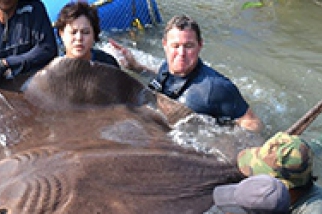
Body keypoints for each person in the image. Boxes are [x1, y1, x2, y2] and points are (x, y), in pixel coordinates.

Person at [110, 15, 263, 133]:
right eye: (175, 46)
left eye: (188, 46)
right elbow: (168, 82)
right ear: (165, 45)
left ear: (200, 46)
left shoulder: (216, 87)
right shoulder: (166, 67)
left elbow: (253, 123)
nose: (181, 53)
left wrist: (223, 143)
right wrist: (135, 67)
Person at [0, 0, 58, 85]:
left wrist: (6, 63)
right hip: (1, 84)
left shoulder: (34, 10)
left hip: (36, 81)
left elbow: (47, 48)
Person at [53, 2, 119, 68]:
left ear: (94, 34)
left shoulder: (108, 64)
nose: (79, 38)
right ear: (61, 34)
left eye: (85, 32)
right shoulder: (54, 71)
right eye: (73, 32)